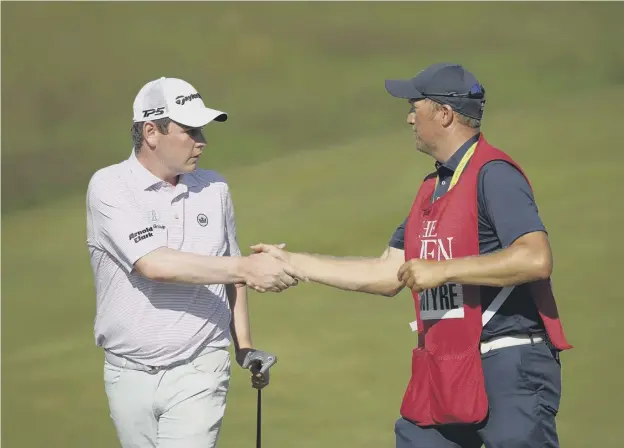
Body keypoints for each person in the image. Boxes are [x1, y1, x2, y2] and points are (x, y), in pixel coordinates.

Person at [250, 63, 572, 448]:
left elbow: (534, 258)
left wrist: (442, 271)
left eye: (414, 107)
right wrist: (293, 263)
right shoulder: (432, 187)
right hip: (447, 366)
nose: (408, 118)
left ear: (444, 113)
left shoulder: (495, 174)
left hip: (508, 365)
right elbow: (388, 272)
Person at [85, 76, 304, 448]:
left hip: (200, 365)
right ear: (151, 132)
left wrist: (244, 346)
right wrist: (247, 268)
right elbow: (153, 264)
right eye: (189, 130)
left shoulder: (214, 189)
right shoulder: (109, 187)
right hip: (127, 373)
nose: (202, 141)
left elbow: (229, 271)